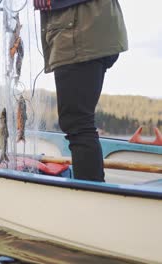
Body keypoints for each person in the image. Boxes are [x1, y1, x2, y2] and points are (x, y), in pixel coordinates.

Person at [35, 0, 128, 182]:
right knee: (79, 123)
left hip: (79, 33)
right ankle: (92, 193)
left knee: (77, 123)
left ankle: (92, 198)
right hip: (87, 31)